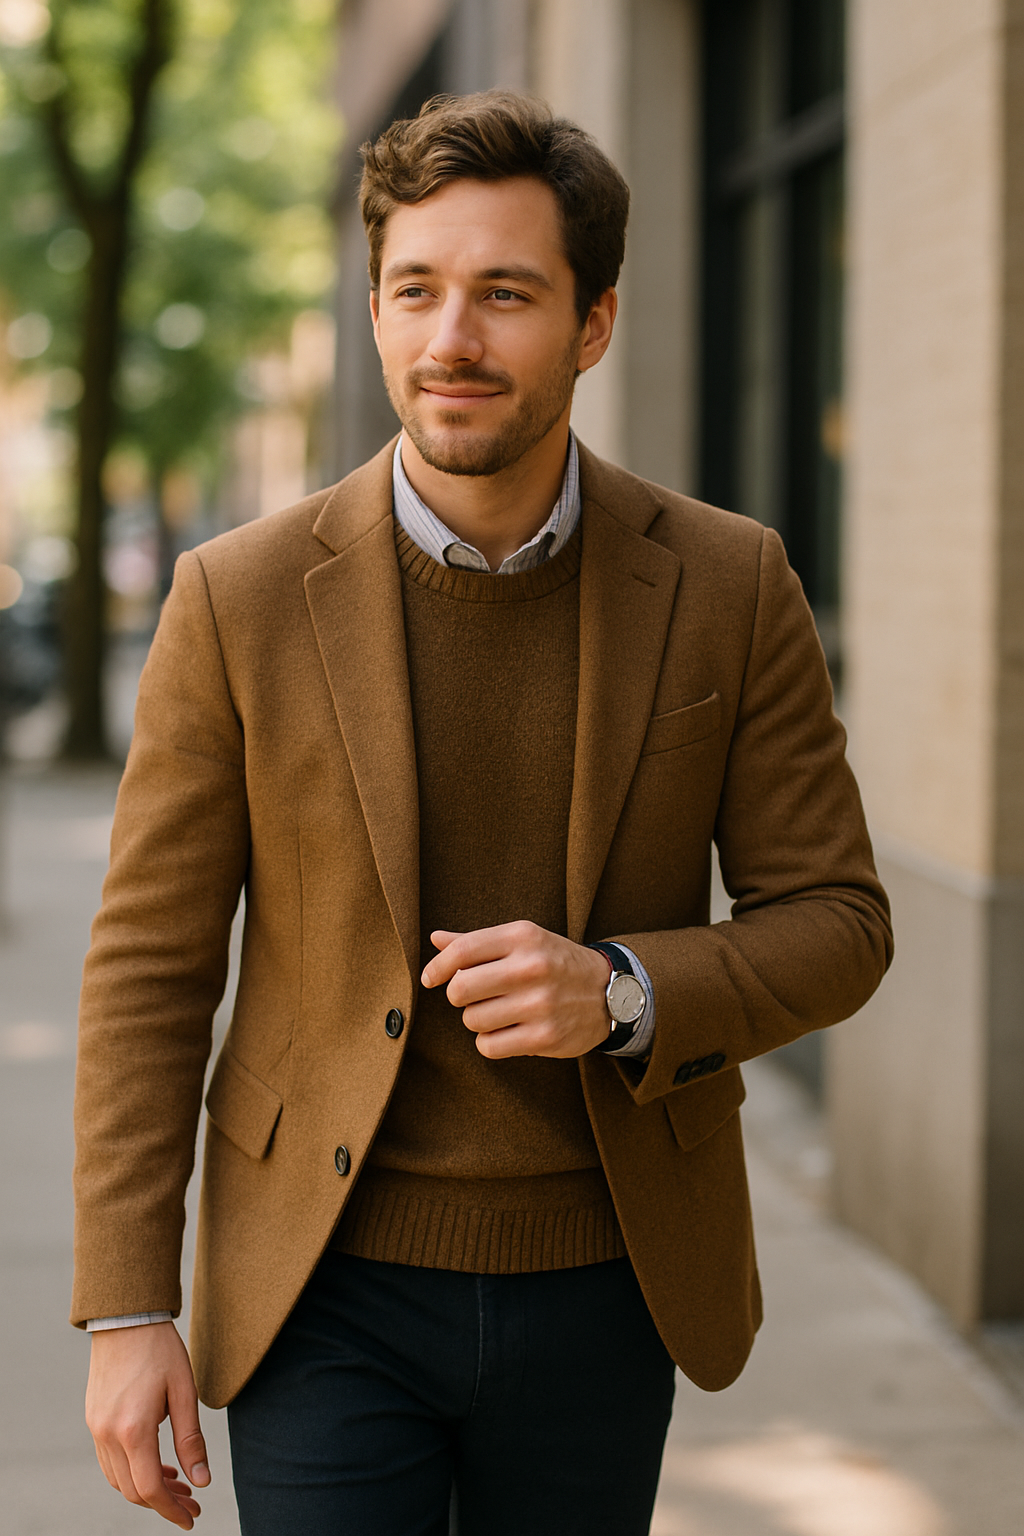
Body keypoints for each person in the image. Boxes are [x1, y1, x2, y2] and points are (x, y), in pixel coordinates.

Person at [73, 90, 892, 1536]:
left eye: (505, 294)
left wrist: (628, 991)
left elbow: (840, 922)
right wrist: (127, 1305)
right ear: (377, 313)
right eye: (416, 291)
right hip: (320, 1286)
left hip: (608, 1277)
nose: (452, 338)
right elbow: (149, 966)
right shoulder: (237, 598)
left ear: (593, 323)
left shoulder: (727, 583)